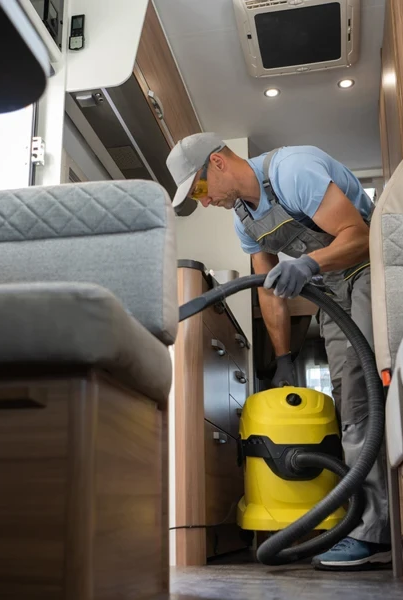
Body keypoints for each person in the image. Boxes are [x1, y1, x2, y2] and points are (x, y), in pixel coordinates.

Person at [166, 133, 390, 571]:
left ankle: (372, 532)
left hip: (366, 272)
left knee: (362, 399)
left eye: (200, 188)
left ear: (218, 162)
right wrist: (284, 359)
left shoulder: (292, 171)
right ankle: (368, 522)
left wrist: (307, 264)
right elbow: (268, 292)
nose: (204, 200)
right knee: (351, 400)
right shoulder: (243, 221)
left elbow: (359, 236)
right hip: (333, 289)